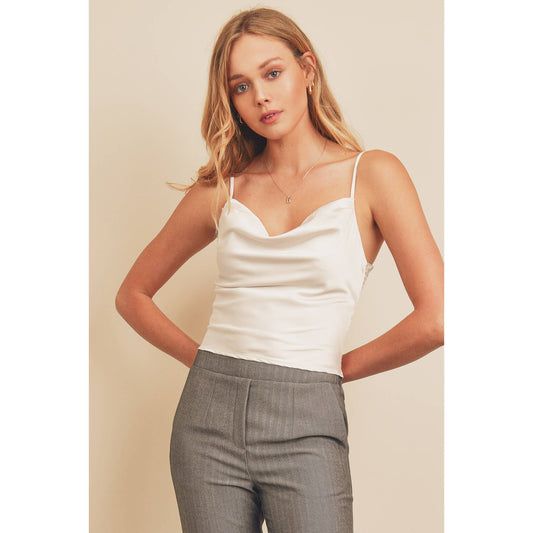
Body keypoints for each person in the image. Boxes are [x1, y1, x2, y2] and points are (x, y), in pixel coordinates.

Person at [115, 7, 444, 532]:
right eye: (241, 86)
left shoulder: (373, 175)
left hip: (308, 416)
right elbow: (132, 294)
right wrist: (206, 363)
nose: (261, 97)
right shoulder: (224, 187)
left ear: (307, 70)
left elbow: (437, 319)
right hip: (206, 424)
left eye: (272, 73)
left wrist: (336, 368)